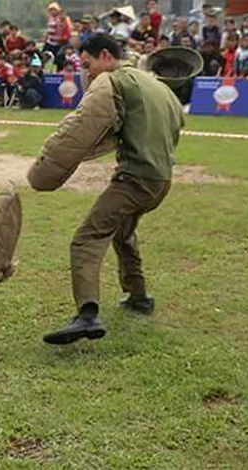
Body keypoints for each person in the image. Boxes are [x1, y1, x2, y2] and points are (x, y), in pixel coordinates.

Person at [28, 34, 184, 343]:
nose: (87, 73)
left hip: (134, 179)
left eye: (88, 65)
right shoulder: (158, 86)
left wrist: (44, 169)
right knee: (122, 232)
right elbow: (177, 124)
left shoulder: (113, 81)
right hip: (161, 180)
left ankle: (87, 314)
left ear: (105, 56)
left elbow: (79, 128)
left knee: (87, 238)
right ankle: (139, 296)